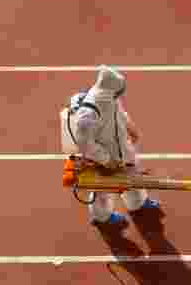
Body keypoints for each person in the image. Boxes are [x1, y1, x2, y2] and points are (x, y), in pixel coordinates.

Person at [61, 66, 161, 227]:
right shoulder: (88, 113)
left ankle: (138, 204)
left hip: (122, 150)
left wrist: (130, 127)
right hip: (103, 158)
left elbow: (119, 112)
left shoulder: (109, 97)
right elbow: (85, 143)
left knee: (132, 178)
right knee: (103, 190)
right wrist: (106, 160)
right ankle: (102, 218)